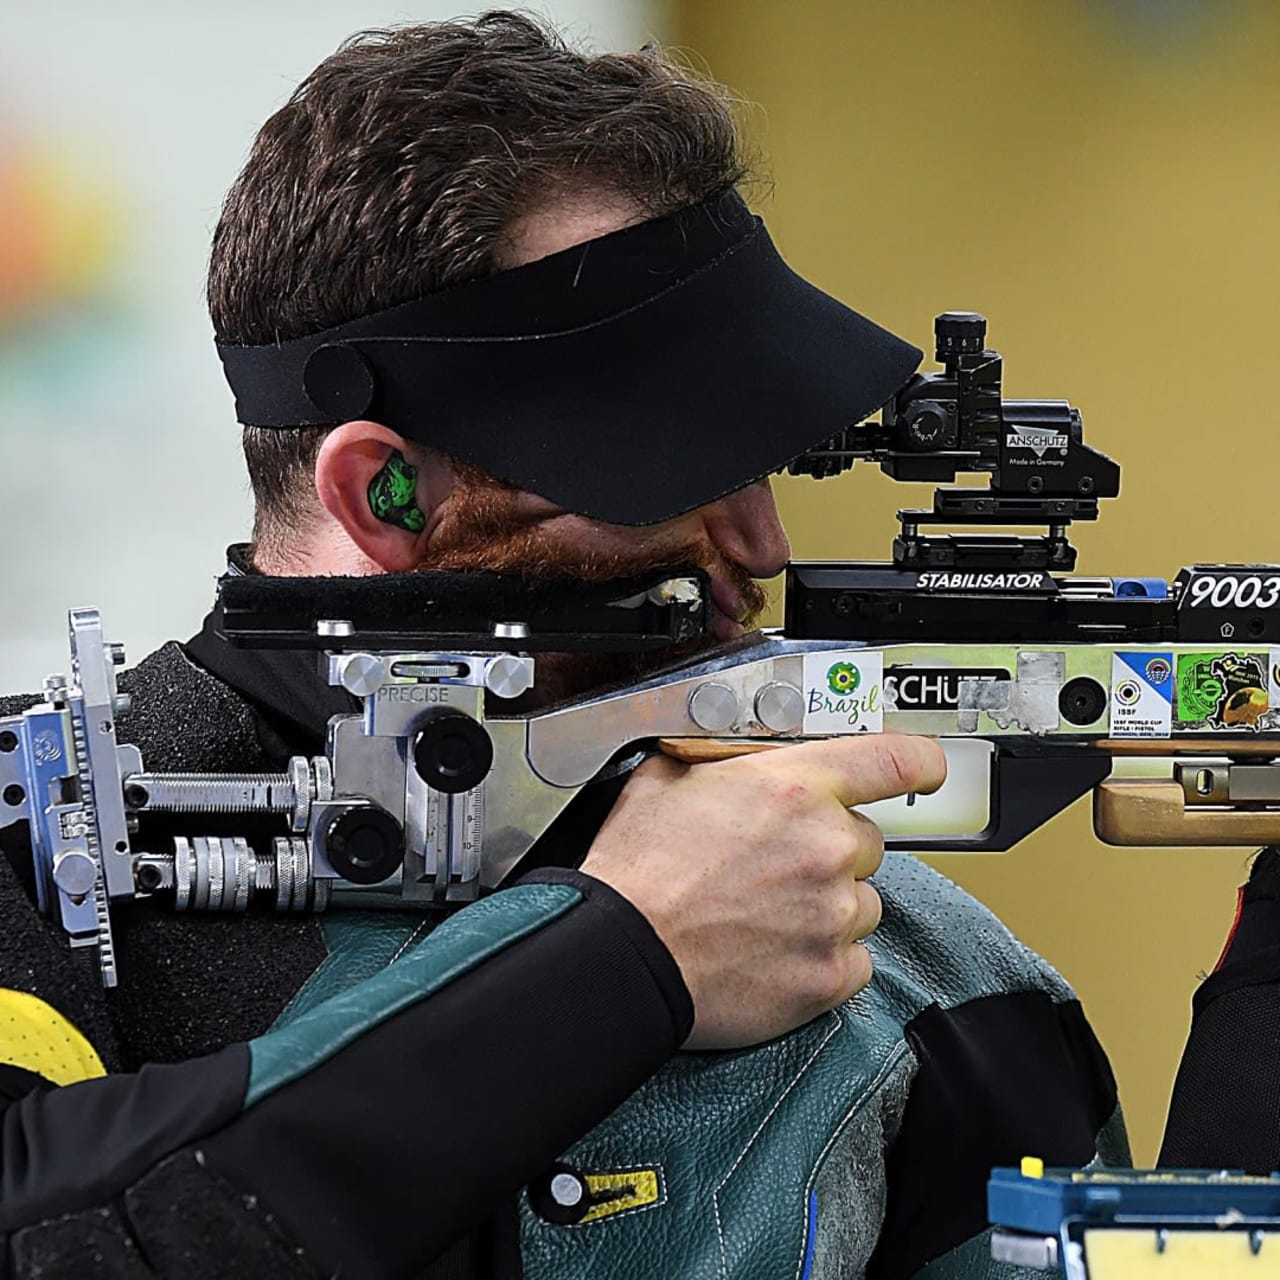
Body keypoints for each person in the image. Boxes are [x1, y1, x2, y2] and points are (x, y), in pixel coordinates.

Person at [0, 14, 1125, 1278]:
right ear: (386, 497)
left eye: (758, 461)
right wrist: (619, 958)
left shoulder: (924, 976)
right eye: (672, 472)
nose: (759, 546)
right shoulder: (47, 858)